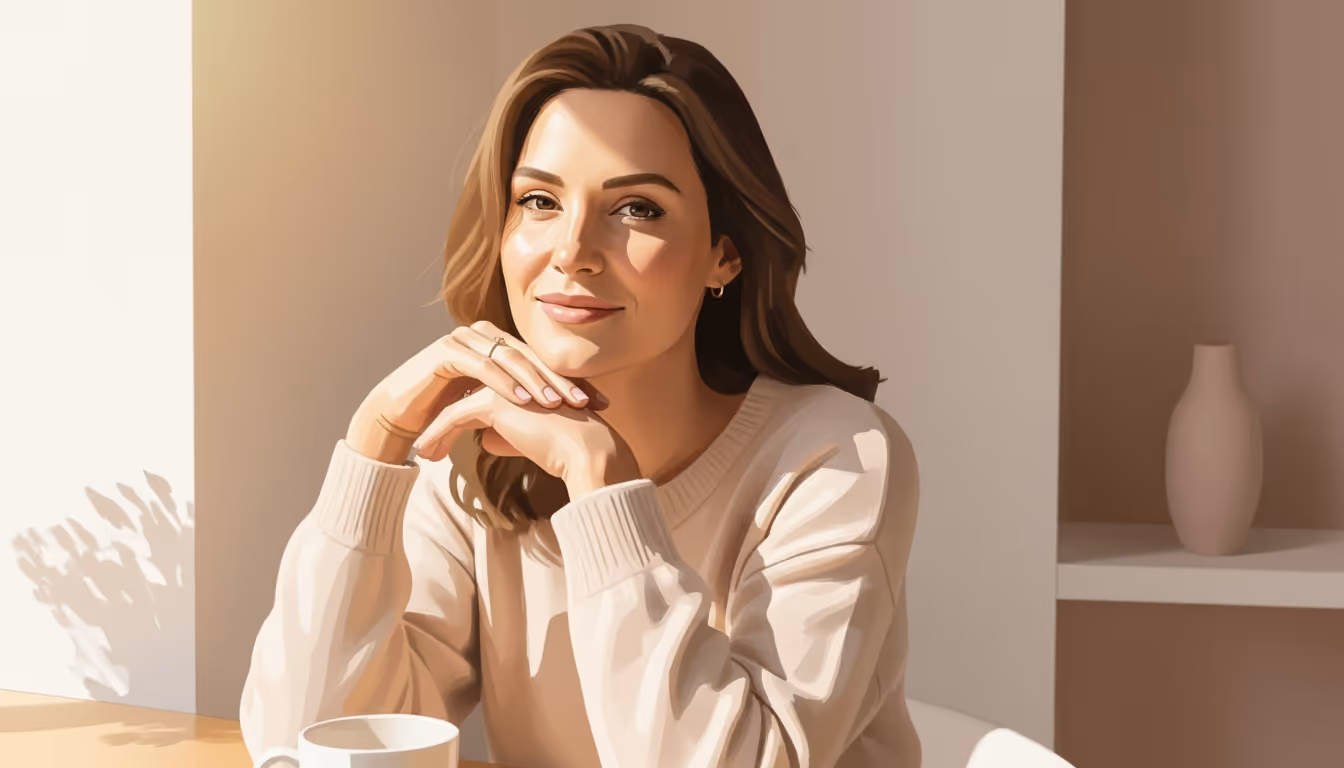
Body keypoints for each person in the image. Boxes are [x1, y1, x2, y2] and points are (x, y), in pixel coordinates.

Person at [240, 23, 921, 768]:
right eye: (539, 200)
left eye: (637, 209)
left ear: (723, 252)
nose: (571, 251)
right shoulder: (472, 454)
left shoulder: (836, 458)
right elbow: (303, 744)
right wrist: (374, 448)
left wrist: (600, 485)